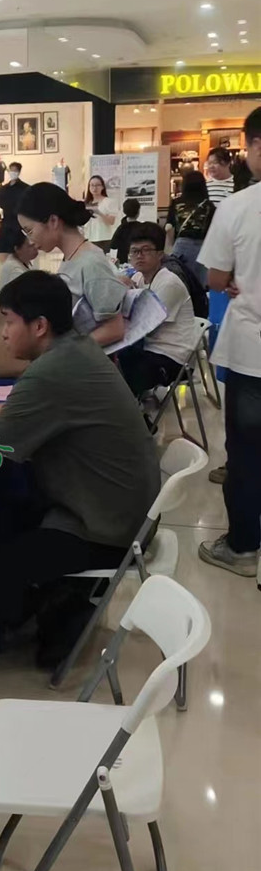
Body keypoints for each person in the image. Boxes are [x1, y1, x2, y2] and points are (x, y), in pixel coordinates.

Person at [0, 272, 160, 666]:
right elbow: (19, 409)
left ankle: (58, 606)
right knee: (12, 509)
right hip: (127, 507)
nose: (3, 334)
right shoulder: (74, 350)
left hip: (108, 526)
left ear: (40, 326)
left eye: (9, 321)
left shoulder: (53, 369)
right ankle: (56, 599)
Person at [196, 107, 261, 579]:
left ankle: (242, 548)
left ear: (256, 146)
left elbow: (216, 278)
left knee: (246, 453)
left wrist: (238, 277)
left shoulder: (239, 206)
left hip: (252, 352)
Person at [17, 182, 127, 347]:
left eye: (29, 231)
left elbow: (114, 329)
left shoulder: (90, 263)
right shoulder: (71, 258)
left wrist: (66, 350)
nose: (30, 240)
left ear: (53, 221)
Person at [116, 222, 196, 398]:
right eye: (134, 251)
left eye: (146, 250)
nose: (139, 256)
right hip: (147, 348)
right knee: (112, 362)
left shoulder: (168, 283)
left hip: (172, 356)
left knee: (119, 370)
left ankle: (133, 411)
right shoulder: (138, 277)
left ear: (160, 254)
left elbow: (144, 326)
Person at [165, 169, 215, 288]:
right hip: (202, 249)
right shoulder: (208, 205)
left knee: (180, 283)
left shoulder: (176, 203)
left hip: (181, 248)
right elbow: (213, 231)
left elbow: (169, 227)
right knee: (200, 286)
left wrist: (169, 248)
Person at [0, 162, 29, 259]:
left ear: (19, 172)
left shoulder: (25, 188)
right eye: (11, 170)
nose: (13, 173)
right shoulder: (4, 188)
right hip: (6, 222)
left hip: (18, 223)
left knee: (18, 250)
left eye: (15, 171)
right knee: (3, 251)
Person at [0, 220, 39, 290]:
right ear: (17, 249)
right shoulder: (15, 271)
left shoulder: (23, 263)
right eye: (30, 246)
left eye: (34, 243)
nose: (36, 247)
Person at [83, 174, 118, 249]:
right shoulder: (86, 203)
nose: (94, 188)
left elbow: (111, 221)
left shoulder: (108, 202)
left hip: (103, 239)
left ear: (102, 187)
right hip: (88, 239)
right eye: (92, 185)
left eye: (97, 185)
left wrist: (99, 212)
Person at [110, 197, 142, 265]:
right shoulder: (142, 228)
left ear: (124, 211)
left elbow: (113, 245)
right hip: (138, 258)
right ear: (138, 212)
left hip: (123, 260)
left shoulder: (121, 228)